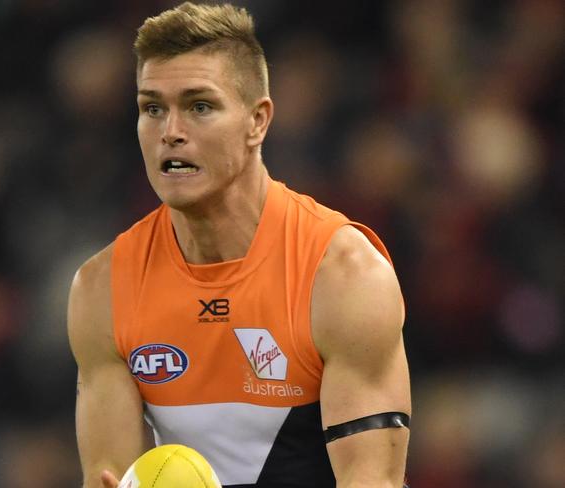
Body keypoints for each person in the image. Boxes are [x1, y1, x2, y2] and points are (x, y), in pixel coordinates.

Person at [67, 2, 411, 487]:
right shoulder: (103, 289)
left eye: (199, 106)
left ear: (257, 121)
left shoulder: (342, 274)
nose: (171, 133)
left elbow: (372, 480)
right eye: (152, 108)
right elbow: (111, 475)